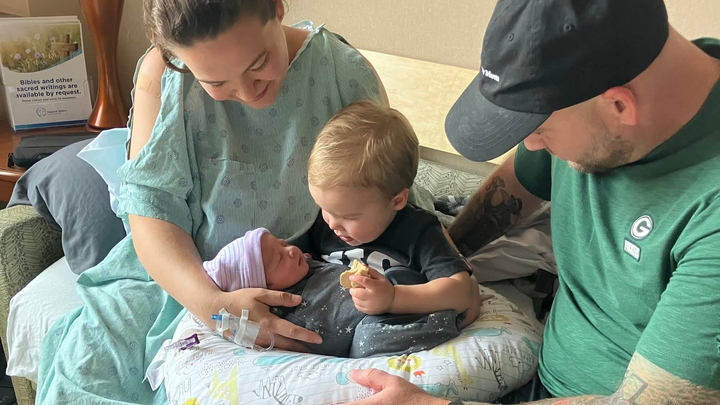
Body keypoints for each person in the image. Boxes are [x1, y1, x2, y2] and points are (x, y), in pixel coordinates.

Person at [346, 0, 720, 404]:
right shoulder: (592, 82)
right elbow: (518, 186)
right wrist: (445, 261)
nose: (531, 144)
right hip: (533, 366)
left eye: (539, 129)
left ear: (619, 106)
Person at [36, 0, 392, 403]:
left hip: (292, 278)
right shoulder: (165, 73)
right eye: (216, 82)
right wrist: (214, 307)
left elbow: (384, 192)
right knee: (85, 376)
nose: (247, 91)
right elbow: (150, 211)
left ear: (278, 8)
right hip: (173, 276)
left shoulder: (341, 73)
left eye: (258, 63)